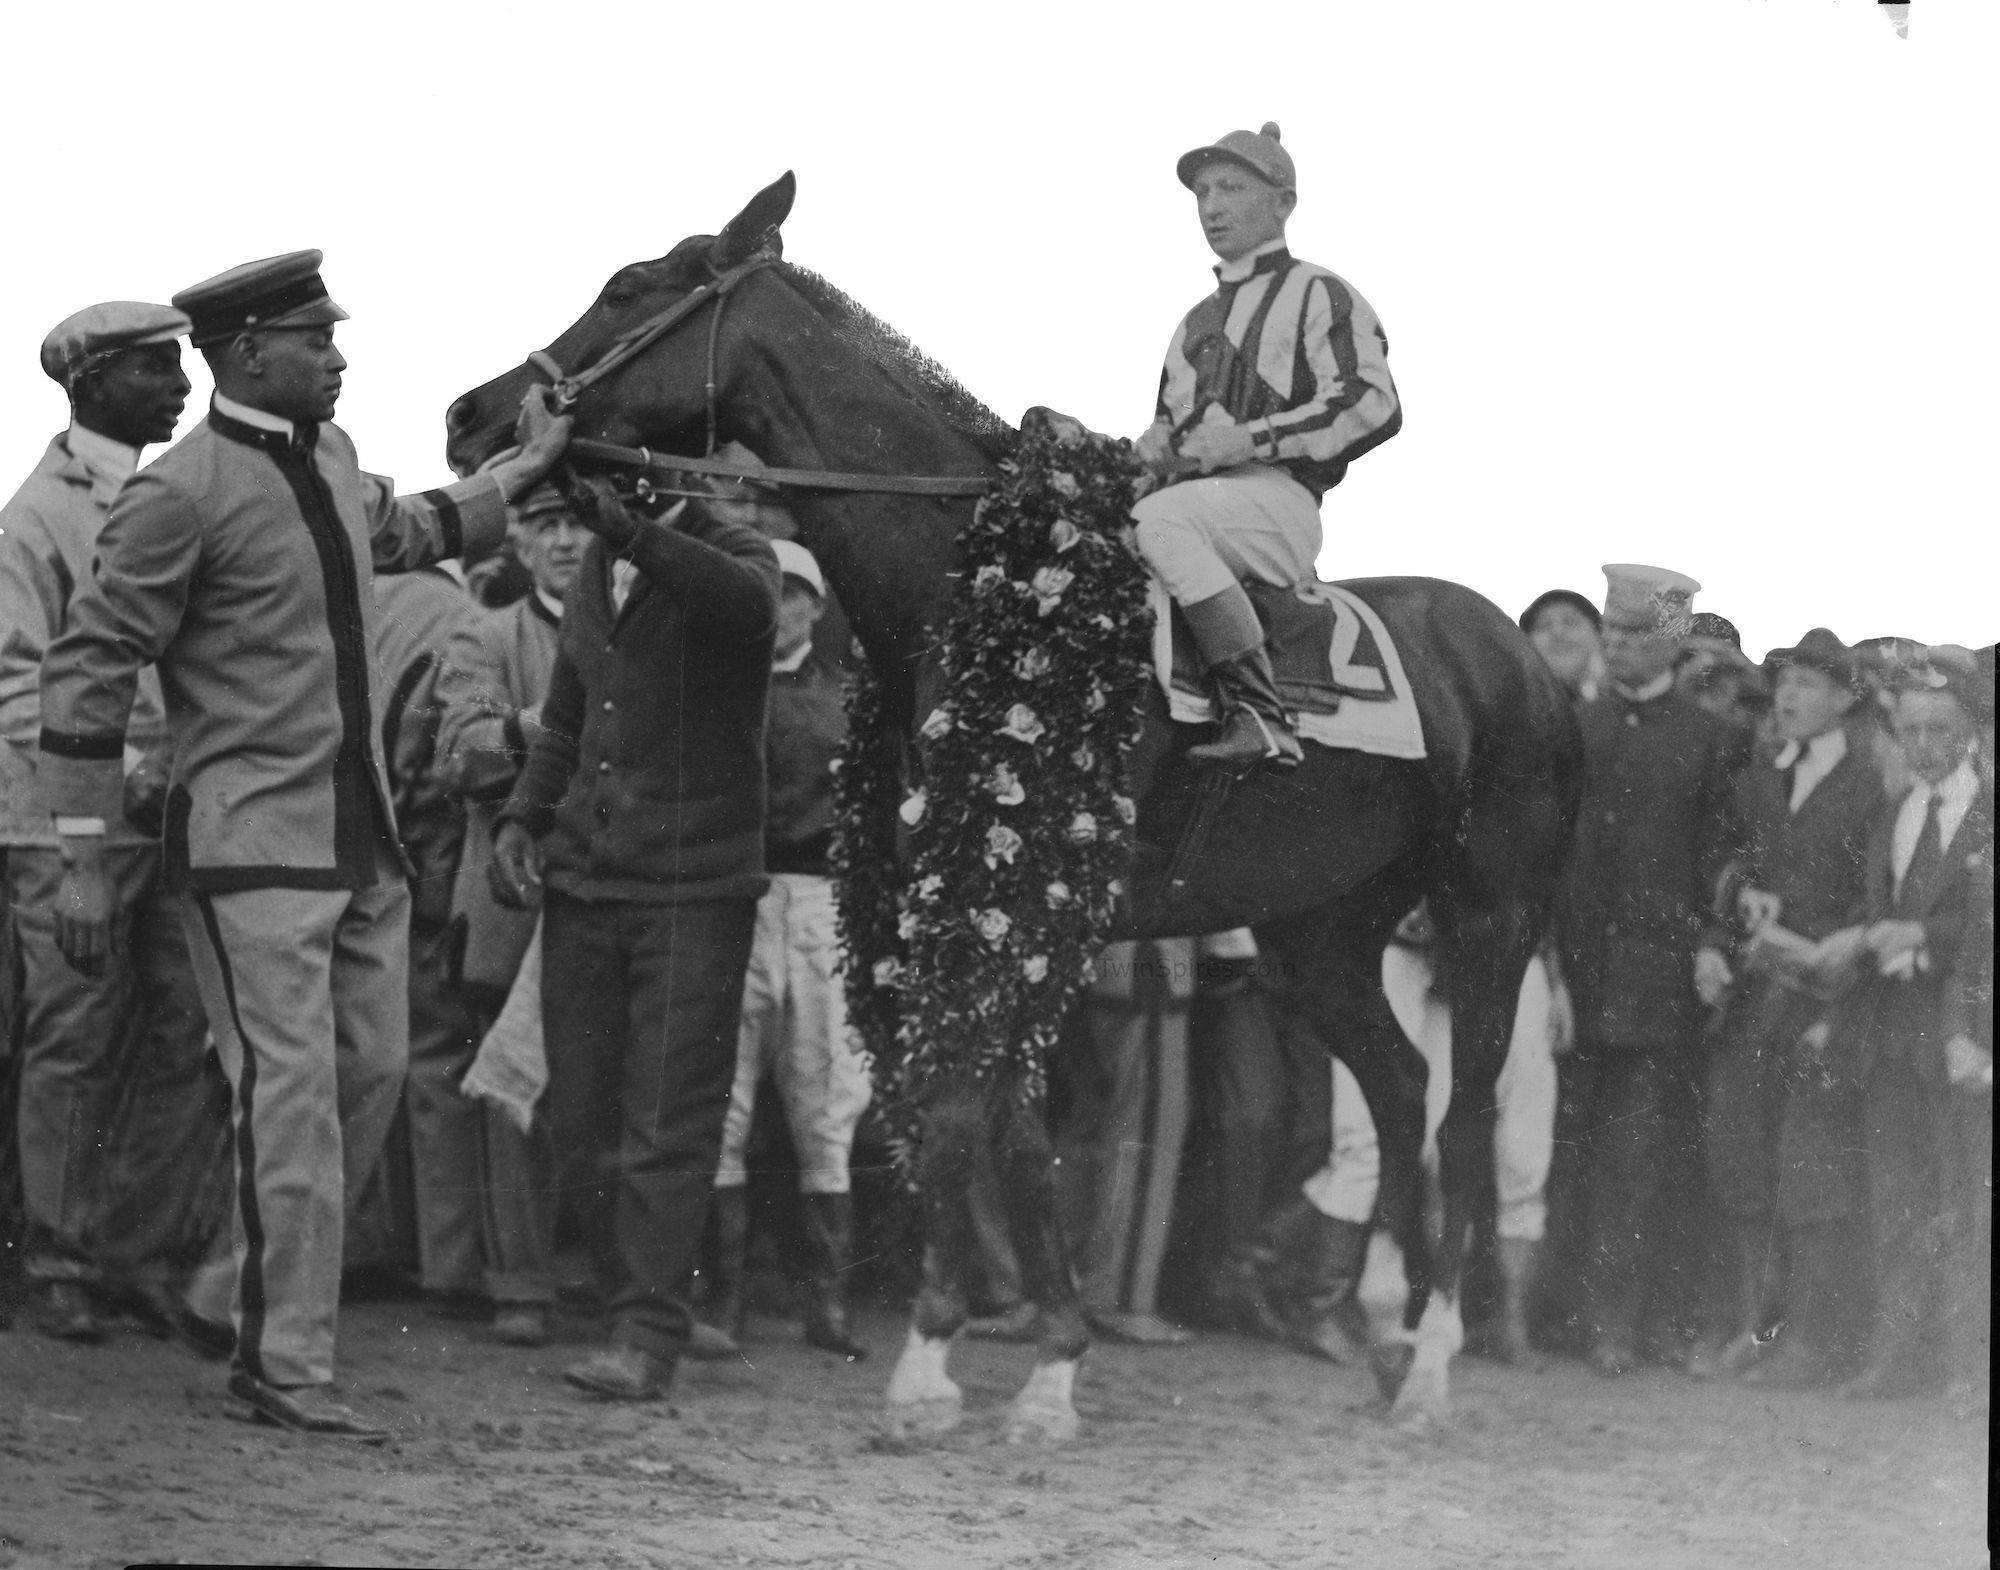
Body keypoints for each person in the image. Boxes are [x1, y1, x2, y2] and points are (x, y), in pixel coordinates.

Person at [33, 252, 571, 1440]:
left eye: (334, 337)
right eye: (316, 339)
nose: (338, 356)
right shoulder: (176, 494)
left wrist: (524, 466)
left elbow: (416, 525)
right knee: (292, 1103)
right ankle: (286, 1367)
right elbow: (84, 670)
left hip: (361, 845)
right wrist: (80, 851)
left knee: (363, 1084)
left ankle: (234, 1290)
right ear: (247, 355)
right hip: (247, 854)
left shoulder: (328, 458)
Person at [489, 472, 779, 1402]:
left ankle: (645, 1332)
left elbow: (744, 608)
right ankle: (639, 1300)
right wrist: (523, 817)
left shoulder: (737, 553)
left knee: (668, 1117)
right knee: (584, 1117)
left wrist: (641, 534)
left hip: (695, 889)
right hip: (586, 880)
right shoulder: (597, 567)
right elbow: (568, 714)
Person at [0, 302, 231, 1347]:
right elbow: (15, 680)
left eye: (180, 363)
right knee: (75, 1035)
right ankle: (57, 1254)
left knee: (186, 1032)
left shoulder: (175, 493)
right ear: (87, 382)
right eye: (151, 367)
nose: (179, 383)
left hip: (179, 809)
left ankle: (133, 1254)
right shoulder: (37, 516)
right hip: (71, 820)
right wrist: (124, 765)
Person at [1132, 123, 1401, 771]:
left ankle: (1259, 710)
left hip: (1279, 500)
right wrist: (1151, 449)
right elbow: (1170, 429)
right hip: (1203, 505)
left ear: (1282, 203)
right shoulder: (1192, 323)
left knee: (1158, 522)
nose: (1211, 206)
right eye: (1201, 192)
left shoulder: (1320, 291)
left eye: (1230, 187)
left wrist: (1249, 439)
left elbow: (1373, 404)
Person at [1555, 564, 1747, 1376]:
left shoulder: (1709, 740)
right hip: (1568, 975)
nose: (1617, 643)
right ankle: (1547, 1316)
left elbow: (1723, 856)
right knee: (1560, 1148)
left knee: (1637, 1158)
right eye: (1612, 629)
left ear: (1668, 639)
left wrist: (1711, 941)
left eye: (1634, 632)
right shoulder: (1571, 728)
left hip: (1655, 984)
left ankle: (1617, 1326)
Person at [1692, 629, 1884, 1387]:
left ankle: (1809, 1343)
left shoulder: (1873, 785)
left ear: (1844, 699)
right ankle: (1756, 1331)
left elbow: (1878, 898)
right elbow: (1729, 868)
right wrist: (1721, 928)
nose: (1790, 696)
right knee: (1742, 1159)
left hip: (1825, 1002)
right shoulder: (1760, 779)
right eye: (1786, 682)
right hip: (1751, 1000)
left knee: (1812, 1171)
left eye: (1809, 683)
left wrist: (1838, 993)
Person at [702, 540, 873, 1360]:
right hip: (733, 900)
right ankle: (723, 1304)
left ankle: (827, 1307)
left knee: (825, 1103)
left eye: (794, 595)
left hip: (817, 905)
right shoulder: (715, 691)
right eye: (764, 596)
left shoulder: (847, 699)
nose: (780, 613)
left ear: (813, 605)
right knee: (722, 1104)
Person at [1817, 654, 1992, 1403]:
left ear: (1972, 732)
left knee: (1966, 1200)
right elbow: (1879, 912)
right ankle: (1898, 1358)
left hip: (1959, 1031)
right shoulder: (1895, 813)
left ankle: (1967, 1368)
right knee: (1897, 1197)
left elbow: (1981, 928)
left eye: (1940, 729)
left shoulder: (1987, 813)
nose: (1924, 744)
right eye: (1911, 728)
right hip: (1890, 1033)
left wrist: (1918, 937)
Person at [434, 483, 580, 1347]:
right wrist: (559, 725)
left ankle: (611, 1280)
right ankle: (518, 1284)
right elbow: (462, 754)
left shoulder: (638, 634)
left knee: (610, 1089)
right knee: (508, 1094)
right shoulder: (484, 634)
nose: (564, 542)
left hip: (613, 886)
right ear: (518, 543)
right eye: (545, 525)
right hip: (509, 898)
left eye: (577, 524)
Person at [368, 557, 487, 1319]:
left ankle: (360, 1248)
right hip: (416, 863)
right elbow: (443, 763)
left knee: (354, 1053)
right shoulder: (459, 621)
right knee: (439, 1058)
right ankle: (449, 1266)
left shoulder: (360, 606)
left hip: (336, 859)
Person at [1519, 588, 1604, 703]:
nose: (1558, 632)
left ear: (1597, 635)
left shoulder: (1623, 704)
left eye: (1570, 621)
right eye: (1544, 625)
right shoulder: (1518, 706)